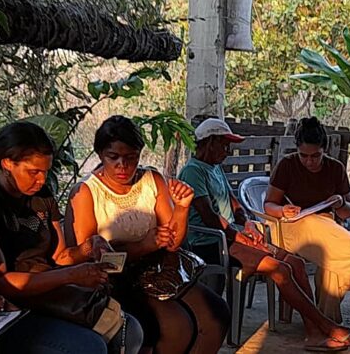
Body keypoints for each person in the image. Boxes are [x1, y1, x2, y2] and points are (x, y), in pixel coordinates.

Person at [181, 118, 350, 352]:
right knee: (281, 269)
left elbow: (234, 204)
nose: (228, 151)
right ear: (209, 143)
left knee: (296, 263)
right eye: (224, 145)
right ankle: (324, 327)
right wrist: (240, 236)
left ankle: (314, 330)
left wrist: (247, 223)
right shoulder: (193, 171)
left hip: (231, 237)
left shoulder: (215, 168)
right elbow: (209, 217)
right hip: (211, 243)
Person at [0, 121, 141, 354]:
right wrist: (70, 276)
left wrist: (89, 247)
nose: (41, 180)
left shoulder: (41, 195)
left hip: (50, 293)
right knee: (89, 347)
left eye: (46, 171)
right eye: (33, 172)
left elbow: (60, 256)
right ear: (7, 163)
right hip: (10, 308)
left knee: (131, 330)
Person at [67, 116, 229, 354]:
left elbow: (173, 243)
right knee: (176, 328)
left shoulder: (152, 180)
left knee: (217, 315)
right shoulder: (86, 192)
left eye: (131, 157)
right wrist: (143, 245)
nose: (122, 165)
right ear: (100, 155)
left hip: (160, 269)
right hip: (116, 280)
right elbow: (89, 259)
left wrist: (182, 208)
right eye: (113, 157)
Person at [263, 117, 350, 323]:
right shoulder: (287, 165)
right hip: (291, 227)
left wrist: (340, 202)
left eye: (315, 156)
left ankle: (325, 323)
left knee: (332, 268)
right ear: (297, 150)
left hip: (326, 229)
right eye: (304, 156)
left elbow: (348, 212)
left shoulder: (335, 168)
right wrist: (282, 210)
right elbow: (268, 205)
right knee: (312, 222)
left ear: (324, 150)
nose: (309, 161)